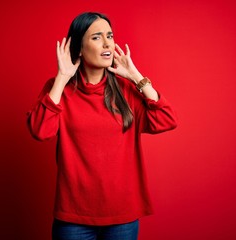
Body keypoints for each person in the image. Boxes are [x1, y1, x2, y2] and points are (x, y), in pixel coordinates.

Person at [27, 12, 177, 240]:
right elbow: (40, 130)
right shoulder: (59, 90)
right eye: (96, 37)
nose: (107, 43)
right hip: (73, 218)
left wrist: (136, 76)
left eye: (109, 35)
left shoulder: (126, 89)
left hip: (122, 218)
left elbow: (167, 119)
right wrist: (61, 78)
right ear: (78, 47)